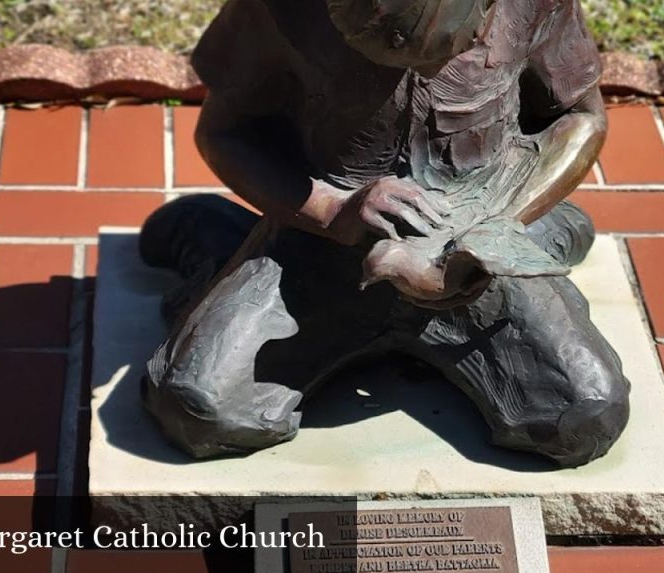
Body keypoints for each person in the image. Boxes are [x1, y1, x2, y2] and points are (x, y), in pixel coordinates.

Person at [138, 0, 629, 468]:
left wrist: (500, 228)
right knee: (199, 411)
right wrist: (334, 211)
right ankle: (220, 244)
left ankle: (540, 229)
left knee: (584, 417)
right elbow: (224, 133)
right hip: (318, 247)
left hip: (476, 239)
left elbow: (580, 119)